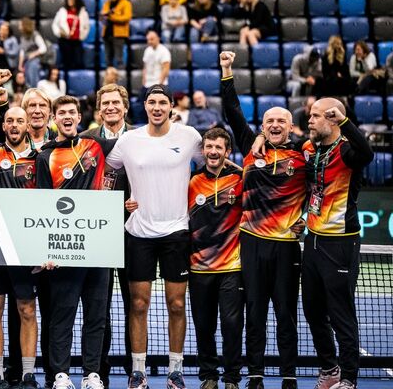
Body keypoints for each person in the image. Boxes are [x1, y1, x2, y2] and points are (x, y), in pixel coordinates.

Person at [105, 84, 201, 389]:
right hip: (138, 233)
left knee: (176, 304)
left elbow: (215, 157)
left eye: (162, 102)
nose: (157, 107)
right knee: (138, 304)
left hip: (176, 232)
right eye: (151, 102)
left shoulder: (189, 137)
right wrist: (117, 202)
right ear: (144, 107)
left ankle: (176, 369)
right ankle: (138, 371)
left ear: (171, 106)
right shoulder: (128, 141)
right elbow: (103, 175)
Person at [220, 51, 304, 389]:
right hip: (251, 244)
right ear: (263, 126)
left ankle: (288, 374)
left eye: (280, 121)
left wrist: (307, 223)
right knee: (253, 314)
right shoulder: (250, 148)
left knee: (286, 315)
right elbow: (233, 112)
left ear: (289, 126)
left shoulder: (303, 154)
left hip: (286, 246)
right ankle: (254, 374)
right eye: (269, 121)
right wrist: (227, 71)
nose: (274, 125)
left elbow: (322, 190)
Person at [37, 95, 116, 389]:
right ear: (54, 119)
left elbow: (129, 135)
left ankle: (92, 373)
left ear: (80, 118)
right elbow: (43, 205)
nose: (67, 117)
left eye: (72, 112)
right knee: (63, 315)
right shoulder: (46, 156)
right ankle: (61, 374)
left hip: (98, 245)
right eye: (62, 113)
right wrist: (46, 249)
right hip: (64, 249)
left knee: (97, 315)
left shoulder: (96, 146)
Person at [301, 98, 373, 389]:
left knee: (341, 314)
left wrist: (345, 120)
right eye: (310, 115)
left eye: (316, 116)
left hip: (340, 244)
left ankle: (349, 378)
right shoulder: (310, 148)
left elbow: (367, 152)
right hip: (313, 240)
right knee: (312, 310)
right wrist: (257, 137)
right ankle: (329, 369)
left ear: (332, 120)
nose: (310, 121)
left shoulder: (346, 151)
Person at [0, 69, 40, 389]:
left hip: (25, 245)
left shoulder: (41, 157)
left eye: (20, 121)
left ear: (28, 125)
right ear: (3, 125)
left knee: (27, 309)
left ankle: (28, 373)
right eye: (10, 121)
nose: (14, 125)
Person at [80, 83, 132, 388]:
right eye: (105, 103)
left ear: (125, 107)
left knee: (133, 306)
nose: (110, 107)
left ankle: (133, 369)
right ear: (99, 109)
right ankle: (98, 369)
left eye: (116, 102)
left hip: (130, 232)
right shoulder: (86, 140)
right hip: (96, 234)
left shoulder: (140, 138)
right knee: (98, 305)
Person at [188, 127, 244, 389]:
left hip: (232, 266)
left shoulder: (240, 179)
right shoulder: (190, 181)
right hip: (199, 267)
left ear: (227, 151)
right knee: (204, 326)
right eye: (208, 147)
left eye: (218, 147)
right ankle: (209, 375)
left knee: (232, 325)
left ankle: (232, 377)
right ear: (203, 151)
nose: (212, 151)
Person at [52, 0, 90, 71]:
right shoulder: (62, 11)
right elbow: (55, 25)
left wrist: (82, 36)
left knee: (79, 62)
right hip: (65, 40)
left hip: (76, 40)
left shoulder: (83, 12)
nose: (70, 1)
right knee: (67, 62)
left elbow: (86, 27)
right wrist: (59, 33)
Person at [101, 0, 131, 68]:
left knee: (119, 59)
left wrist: (111, 17)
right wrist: (102, 18)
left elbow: (126, 18)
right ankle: (109, 79)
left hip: (119, 35)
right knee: (108, 60)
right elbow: (104, 17)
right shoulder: (106, 3)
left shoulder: (126, 3)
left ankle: (121, 78)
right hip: (106, 34)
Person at [17, 18, 47, 89]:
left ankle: (35, 90)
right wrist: (20, 65)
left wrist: (34, 54)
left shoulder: (35, 34)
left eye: (20, 25)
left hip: (36, 59)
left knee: (32, 68)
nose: (19, 26)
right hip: (27, 60)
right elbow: (22, 52)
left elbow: (43, 48)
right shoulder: (22, 37)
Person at [142, 31, 171, 97]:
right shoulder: (147, 50)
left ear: (158, 38)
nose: (149, 41)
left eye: (152, 39)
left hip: (159, 84)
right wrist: (143, 82)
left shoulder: (164, 51)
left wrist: (159, 85)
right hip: (147, 84)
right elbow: (145, 67)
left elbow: (166, 69)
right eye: (148, 40)